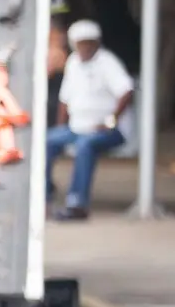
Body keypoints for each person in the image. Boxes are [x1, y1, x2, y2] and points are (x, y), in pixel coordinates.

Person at [46, 19, 134, 221]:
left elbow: (126, 91)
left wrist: (111, 121)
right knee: (47, 141)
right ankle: (44, 196)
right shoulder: (73, 62)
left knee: (85, 146)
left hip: (108, 130)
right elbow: (64, 100)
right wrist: (62, 127)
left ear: (97, 43)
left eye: (89, 42)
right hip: (76, 128)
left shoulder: (107, 62)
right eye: (81, 43)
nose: (85, 47)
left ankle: (77, 204)